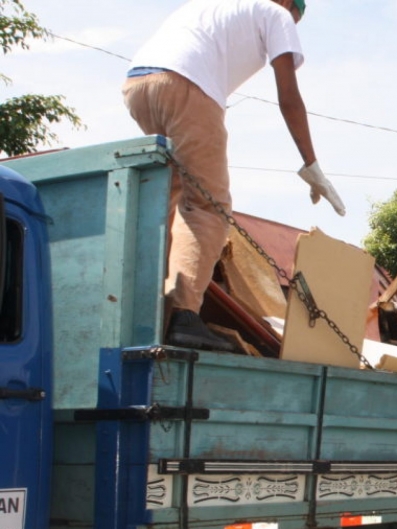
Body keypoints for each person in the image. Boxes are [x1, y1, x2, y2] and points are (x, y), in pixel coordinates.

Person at [123, 0, 345, 352]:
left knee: (165, 200)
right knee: (209, 205)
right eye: (297, 20)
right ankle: (182, 317)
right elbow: (289, 96)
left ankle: (142, 309)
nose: (293, 27)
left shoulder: (218, 6)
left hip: (139, 84)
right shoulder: (276, 13)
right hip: (187, 85)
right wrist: (311, 163)